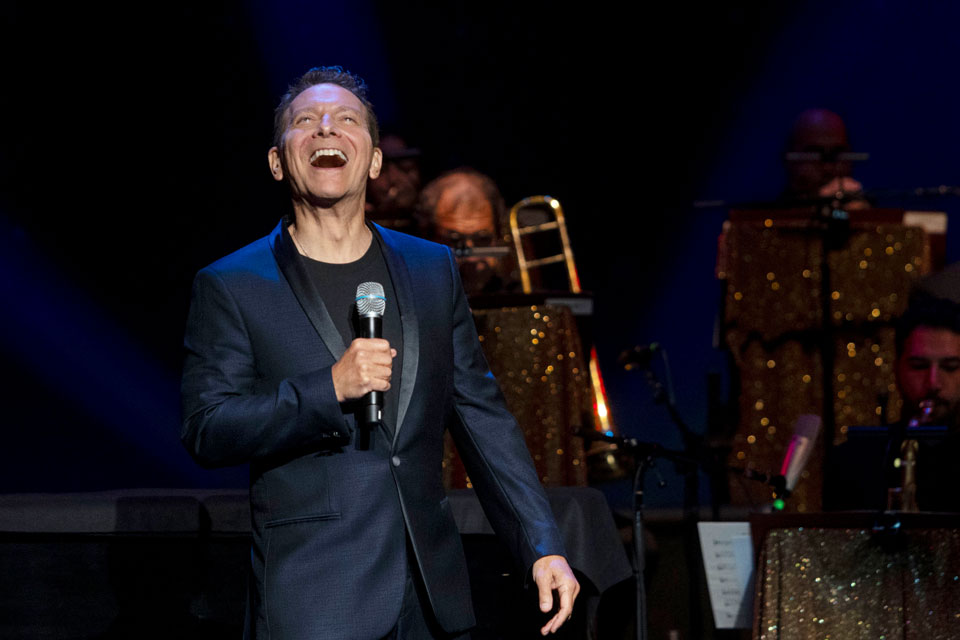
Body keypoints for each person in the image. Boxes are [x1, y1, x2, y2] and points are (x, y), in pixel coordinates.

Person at [180, 66, 579, 639]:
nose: (326, 129)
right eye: (305, 121)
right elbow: (207, 428)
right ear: (276, 161)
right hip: (316, 596)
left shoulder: (430, 269)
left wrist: (541, 545)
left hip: (431, 594)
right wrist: (328, 389)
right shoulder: (234, 283)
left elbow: (481, 417)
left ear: (372, 161)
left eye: (346, 120)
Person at [825, 284, 960, 512]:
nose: (933, 383)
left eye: (950, 367)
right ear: (896, 369)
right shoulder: (854, 462)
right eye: (919, 367)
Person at [416, 168, 516, 295]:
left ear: (498, 235)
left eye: (483, 239)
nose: (471, 258)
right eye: (455, 240)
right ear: (427, 240)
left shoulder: (524, 299)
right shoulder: (406, 301)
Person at [783, 108, 868, 208]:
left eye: (837, 154)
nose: (828, 168)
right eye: (815, 154)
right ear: (790, 161)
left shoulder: (864, 209)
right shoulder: (769, 216)